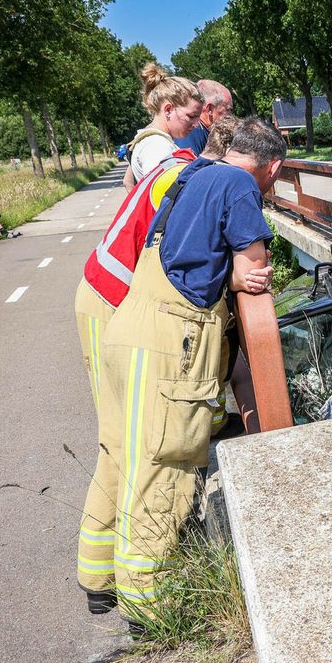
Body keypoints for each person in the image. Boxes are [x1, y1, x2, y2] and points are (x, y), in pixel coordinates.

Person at [78, 117, 282, 618]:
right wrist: (241, 274)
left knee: (122, 454)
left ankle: (98, 578)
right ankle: (150, 610)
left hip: (128, 327)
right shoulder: (238, 184)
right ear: (273, 167)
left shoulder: (192, 174)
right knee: (164, 468)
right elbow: (254, 269)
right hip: (172, 342)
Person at [121, 63, 204, 192]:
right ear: (168, 110)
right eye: (191, 116)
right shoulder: (158, 147)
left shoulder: (144, 139)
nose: (196, 124)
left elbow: (128, 182)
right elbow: (167, 199)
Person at [173, 80, 233, 155]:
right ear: (210, 109)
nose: (231, 116)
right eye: (228, 109)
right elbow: (186, 166)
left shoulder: (204, 133)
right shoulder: (190, 133)